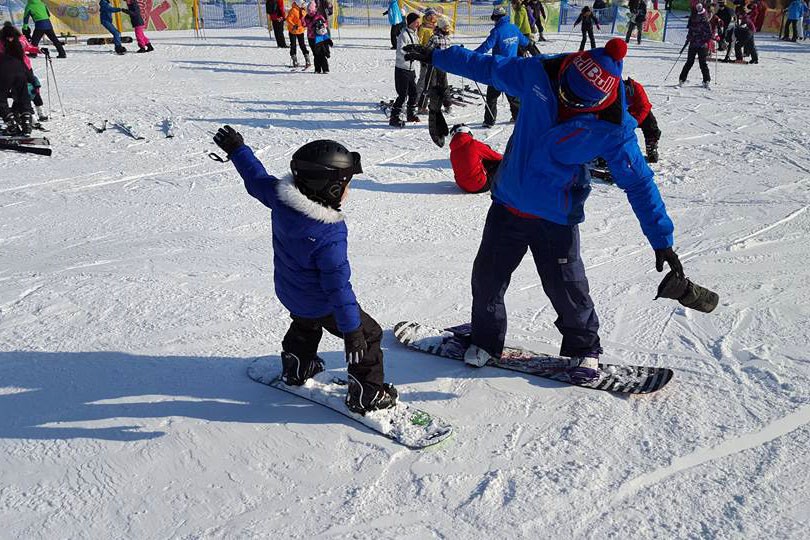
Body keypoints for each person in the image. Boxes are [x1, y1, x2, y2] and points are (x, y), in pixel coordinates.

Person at [403, 37, 683, 382]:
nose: (567, 100)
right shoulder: (542, 72)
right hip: (508, 203)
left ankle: (584, 349)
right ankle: (485, 340)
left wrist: (661, 240)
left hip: (556, 217)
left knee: (567, 287)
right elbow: (487, 67)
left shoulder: (613, 128)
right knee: (487, 279)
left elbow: (639, 184)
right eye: (565, 91)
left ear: (600, 99)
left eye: (577, 101)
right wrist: (437, 56)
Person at [211, 127, 398, 414]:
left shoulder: (280, 198)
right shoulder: (328, 235)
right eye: (346, 184)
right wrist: (352, 331)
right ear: (331, 189)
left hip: (291, 291)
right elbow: (339, 288)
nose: (348, 190)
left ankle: (297, 367)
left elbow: (255, 178)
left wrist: (238, 150)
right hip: (321, 302)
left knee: (305, 322)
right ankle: (367, 396)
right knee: (369, 335)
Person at [474, 6, 529, 128]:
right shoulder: (514, 28)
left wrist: (472, 55)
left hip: (498, 70)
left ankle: (489, 121)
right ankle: (517, 117)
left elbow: (486, 47)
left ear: (496, 18)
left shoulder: (497, 31)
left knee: (492, 97)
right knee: (513, 95)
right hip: (512, 68)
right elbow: (525, 42)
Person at [1, 22, 47, 123]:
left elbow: (29, 47)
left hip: (22, 68)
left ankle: (37, 111)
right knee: (24, 91)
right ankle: (30, 115)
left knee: (30, 90)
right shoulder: (5, 41)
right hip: (15, 69)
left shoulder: (20, 39)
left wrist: (38, 50)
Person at [0, 26, 35, 135]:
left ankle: (12, 125)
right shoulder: (18, 43)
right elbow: (23, 59)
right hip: (20, 70)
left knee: (1, 99)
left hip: (4, 71)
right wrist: (31, 78)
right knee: (23, 97)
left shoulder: (2, 43)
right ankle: (26, 125)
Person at [448, 124, 503, 193]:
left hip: (463, 186)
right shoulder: (473, 144)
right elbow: (496, 156)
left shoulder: (452, 152)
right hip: (480, 185)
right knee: (501, 162)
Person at [390, 12, 421, 127]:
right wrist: (408, 54)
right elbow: (400, 51)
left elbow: (416, 47)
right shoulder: (403, 34)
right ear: (411, 22)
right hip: (402, 68)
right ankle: (394, 117)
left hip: (411, 69)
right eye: (416, 22)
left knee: (413, 93)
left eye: (418, 22)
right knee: (402, 94)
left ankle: (411, 114)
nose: (418, 24)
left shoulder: (414, 34)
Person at [624, 77, 661, 162]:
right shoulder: (614, 90)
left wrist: (635, 122)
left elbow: (645, 107)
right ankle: (606, 150)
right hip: (623, 114)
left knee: (650, 122)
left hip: (638, 114)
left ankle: (651, 146)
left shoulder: (637, 87)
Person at [678, 3, 712, 88]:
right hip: (697, 45)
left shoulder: (703, 22)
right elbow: (691, 32)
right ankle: (683, 79)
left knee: (697, 63)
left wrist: (695, 38)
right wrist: (690, 38)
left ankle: (705, 80)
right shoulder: (697, 21)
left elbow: (708, 34)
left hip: (699, 45)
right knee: (696, 63)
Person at [416, 7, 438, 113]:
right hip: (425, 55)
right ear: (427, 16)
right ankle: (417, 97)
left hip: (436, 56)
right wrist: (422, 53)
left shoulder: (436, 26)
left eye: (434, 15)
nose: (433, 17)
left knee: (433, 78)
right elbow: (419, 42)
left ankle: (429, 98)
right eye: (431, 15)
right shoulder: (423, 27)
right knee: (424, 77)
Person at [305, 2, 332, 74]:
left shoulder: (319, 16)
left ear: (314, 10)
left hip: (319, 37)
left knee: (321, 53)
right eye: (308, 10)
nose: (310, 12)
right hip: (310, 37)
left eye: (311, 10)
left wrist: (321, 25)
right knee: (315, 54)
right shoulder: (306, 17)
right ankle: (317, 69)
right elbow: (304, 24)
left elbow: (326, 23)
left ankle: (325, 69)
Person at [286, 0, 310, 68]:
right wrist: (293, 25)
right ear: (298, 4)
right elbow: (288, 19)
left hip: (300, 30)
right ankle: (294, 60)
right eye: (302, 4)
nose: (303, 5)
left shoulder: (303, 10)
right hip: (293, 31)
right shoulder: (293, 10)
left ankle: (307, 59)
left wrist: (306, 24)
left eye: (303, 4)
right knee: (293, 45)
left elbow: (305, 19)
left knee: (302, 44)